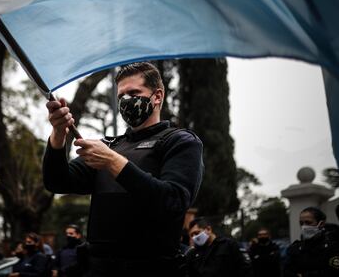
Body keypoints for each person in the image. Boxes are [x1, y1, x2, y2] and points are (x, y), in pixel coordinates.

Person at [43, 62, 204, 277]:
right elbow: (57, 181)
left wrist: (112, 162)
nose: (126, 101)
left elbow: (173, 200)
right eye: (121, 97)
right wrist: (58, 135)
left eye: (134, 92)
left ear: (157, 96)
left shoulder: (179, 142)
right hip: (98, 268)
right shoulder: (109, 145)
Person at [186, 217, 253, 277]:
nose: (194, 237)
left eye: (197, 233)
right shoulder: (193, 253)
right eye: (192, 235)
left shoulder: (228, 245)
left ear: (208, 229)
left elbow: (244, 269)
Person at [284, 206, 339, 277]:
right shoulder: (295, 248)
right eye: (301, 223)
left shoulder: (333, 247)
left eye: (308, 222)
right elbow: (286, 272)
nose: (304, 226)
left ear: (321, 224)